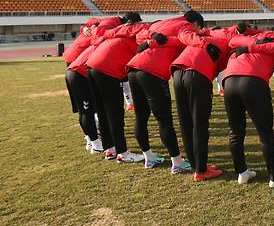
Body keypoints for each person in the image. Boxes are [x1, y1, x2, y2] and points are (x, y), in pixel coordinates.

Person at [126, 10, 206, 173]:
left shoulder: (161, 23)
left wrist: (154, 41)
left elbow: (140, 36)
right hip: (152, 72)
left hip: (133, 68)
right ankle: (177, 162)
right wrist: (204, 42)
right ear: (196, 24)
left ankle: (149, 158)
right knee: (164, 120)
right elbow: (189, 39)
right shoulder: (186, 26)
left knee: (141, 117)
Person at [222, 31, 274, 187]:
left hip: (229, 81)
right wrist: (267, 47)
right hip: (253, 81)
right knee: (265, 131)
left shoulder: (245, 41)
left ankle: (242, 172)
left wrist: (253, 46)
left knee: (235, 131)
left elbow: (233, 40)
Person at [171, 26, 233, 181]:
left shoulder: (201, 35)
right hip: (197, 73)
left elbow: (182, 33)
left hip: (178, 71)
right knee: (199, 123)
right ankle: (201, 170)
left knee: (186, 122)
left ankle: (197, 165)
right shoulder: (227, 37)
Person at [86, 13, 146, 164]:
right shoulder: (136, 30)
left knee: (103, 112)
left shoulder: (117, 30)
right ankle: (122, 152)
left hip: (92, 66)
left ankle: (110, 149)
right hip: (107, 70)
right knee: (115, 114)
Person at [65, 16, 125, 156]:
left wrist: (85, 28)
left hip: (75, 70)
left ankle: (92, 140)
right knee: (88, 111)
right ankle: (95, 143)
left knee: (87, 110)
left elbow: (89, 25)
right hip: (79, 73)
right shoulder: (101, 37)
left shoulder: (95, 31)